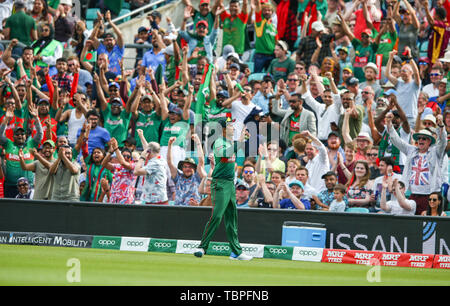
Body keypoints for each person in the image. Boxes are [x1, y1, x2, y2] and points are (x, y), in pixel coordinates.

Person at [193, 119, 252, 261]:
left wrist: (241, 141)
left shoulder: (229, 143)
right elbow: (225, 155)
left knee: (232, 218)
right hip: (220, 183)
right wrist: (239, 141)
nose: (233, 127)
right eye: (230, 125)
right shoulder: (219, 142)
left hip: (230, 184)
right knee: (217, 216)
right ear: (223, 129)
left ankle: (237, 252)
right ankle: (202, 247)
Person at [385, 112, 447, 215]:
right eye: (419, 138)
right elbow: (397, 141)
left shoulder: (436, 152)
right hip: (413, 195)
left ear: (429, 141)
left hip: (431, 195)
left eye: (424, 138)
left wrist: (441, 126)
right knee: (412, 222)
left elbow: (443, 141)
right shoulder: (411, 150)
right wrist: (389, 125)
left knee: (428, 223)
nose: (420, 140)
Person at [0, 105, 43, 198]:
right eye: (17, 134)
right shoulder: (8, 144)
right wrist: (6, 119)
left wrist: (36, 118)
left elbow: (40, 134)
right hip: (10, 186)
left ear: (25, 136)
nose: (20, 136)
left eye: (22, 134)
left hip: (28, 186)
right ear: (13, 136)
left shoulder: (31, 144)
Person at [167, 134, 206, 206]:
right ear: (182, 168)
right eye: (185, 167)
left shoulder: (197, 177)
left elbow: (201, 161)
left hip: (194, 210)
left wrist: (198, 142)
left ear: (194, 169)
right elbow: (169, 162)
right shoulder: (178, 177)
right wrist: (170, 145)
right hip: (178, 210)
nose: (187, 169)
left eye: (190, 167)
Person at [101, 138, 137, 204]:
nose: (126, 157)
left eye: (128, 156)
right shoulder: (117, 166)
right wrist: (110, 152)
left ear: (131, 158)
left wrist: (116, 148)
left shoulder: (133, 166)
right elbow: (103, 164)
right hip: (114, 198)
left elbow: (123, 163)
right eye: (124, 156)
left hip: (126, 199)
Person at [252, 0, 277, 73]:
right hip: (260, 55)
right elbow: (257, 7)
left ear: (272, 12)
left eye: (269, 10)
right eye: (265, 10)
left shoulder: (273, 27)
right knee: (256, 77)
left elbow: (276, 41)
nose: (267, 12)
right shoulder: (259, 21)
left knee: (269, 78)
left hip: (271, 56)